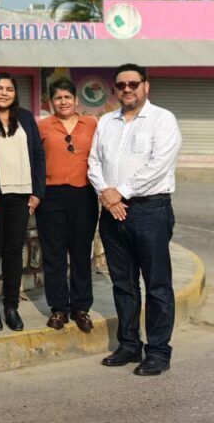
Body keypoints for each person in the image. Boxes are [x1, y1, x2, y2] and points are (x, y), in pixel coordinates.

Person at [88, 64, 182, 377]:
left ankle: (158, 351)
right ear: (114, 89)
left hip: (150, 212)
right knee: (123, 284)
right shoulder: (105, 121)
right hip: (112, 214)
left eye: (133, 84)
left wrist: (120, 194)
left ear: (146, 86)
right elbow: (93, 163)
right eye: (121, 85)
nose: (127, 90)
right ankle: (129, 345)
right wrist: (106, 194)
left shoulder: (162, 119)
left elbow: (158, 165)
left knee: (156, 285)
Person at [0, 72, 46, 332]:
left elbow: (38, 155)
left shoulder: (26, 118)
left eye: (9, 89)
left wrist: (37, 192)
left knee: (13, 252)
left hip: (21, 195)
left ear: (15, 93)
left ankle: (11, 306)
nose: (4, 93)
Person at [36, 78, 99, 333]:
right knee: (54, 255)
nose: (63, 102)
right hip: (51, 196)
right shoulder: (43, 126)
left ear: (76, 100)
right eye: (58, 98)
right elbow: (35, 159)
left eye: (67, 97)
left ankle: (81, 307)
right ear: (51, 102)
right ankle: (59, 308)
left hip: (84, 195)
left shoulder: (92, 124)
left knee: (81, 253)